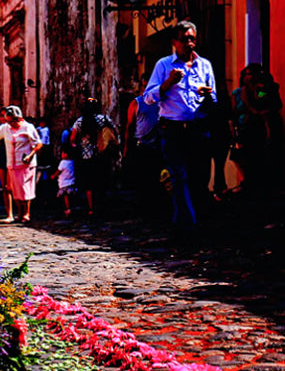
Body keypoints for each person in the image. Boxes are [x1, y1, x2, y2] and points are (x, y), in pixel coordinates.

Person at [143, 20, 217, 230]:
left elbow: (214, 99)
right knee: (179, 176)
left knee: (198, 177)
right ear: (175, 42)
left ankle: (184, 219)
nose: (189, 43)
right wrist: (168, 83)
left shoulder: (205, 66)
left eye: (192, 39)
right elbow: (148, 97)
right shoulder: (164, 65)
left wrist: (208, 95)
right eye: (185, 40)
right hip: (172, 129)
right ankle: (188, 226)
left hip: (197, 129)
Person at [0, 105, 43, 222]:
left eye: (12, 121)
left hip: (25, 164)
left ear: (19, 119)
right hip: (12, 164)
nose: (10, 124)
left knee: (25, 188)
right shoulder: (5, 128)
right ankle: (20, 213)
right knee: (16, 190)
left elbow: (38, 144)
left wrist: (30, 155)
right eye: (8, 121)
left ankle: (26, 213)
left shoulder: (28, 127)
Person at [231, 63, 283, 195]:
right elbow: (233, 112)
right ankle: (247, 182)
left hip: (261, 127)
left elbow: (262, 102)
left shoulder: (264, 89)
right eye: (248, 74)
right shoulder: (238, 93)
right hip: (245, 128)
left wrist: (258, 90)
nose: (250, 77)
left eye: (253, 74)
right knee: (241, 156)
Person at [124, 74, 164, 214]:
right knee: (142, 177)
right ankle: (143, 205)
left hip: (157, 144)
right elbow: (129, 127)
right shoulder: (137, 103)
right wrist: (126, 148)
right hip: (141, 145)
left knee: (155, 177)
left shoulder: (160, 102)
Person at [69, 97, 117, 217]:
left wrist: (82, 144)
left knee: (89, 184)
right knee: (101, 182)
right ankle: (102, 206)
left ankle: (91, 208)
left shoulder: (80, 121)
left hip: (86, 157)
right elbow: (114, 133)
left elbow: (72, 139)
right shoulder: (104, 119)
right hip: (102, 155)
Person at [50, 144, 77, 217]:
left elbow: (58, 171)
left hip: (64, 183)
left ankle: (67, 209)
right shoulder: (72, 162)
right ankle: (70, 208)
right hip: (71, 181)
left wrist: (53, 176)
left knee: (65, 197)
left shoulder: (63, 162)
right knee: (70, 197)